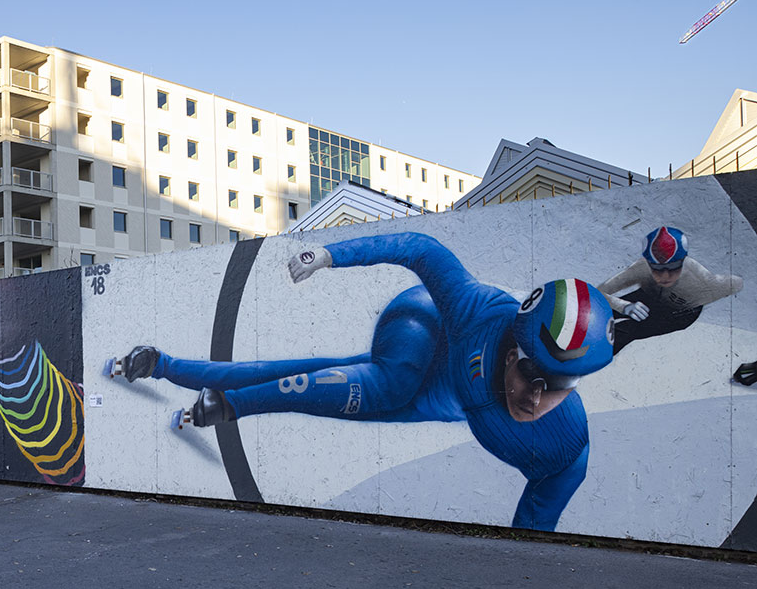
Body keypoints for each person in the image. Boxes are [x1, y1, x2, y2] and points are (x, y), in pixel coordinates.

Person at [110, 232, 615, 531]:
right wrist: (328, 255)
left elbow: (531, 544)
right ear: (512, 348)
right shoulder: (477, 311)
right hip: (419, 326)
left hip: (436, 397)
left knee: (299, 374)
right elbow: (420, 249)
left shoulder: (565, 450)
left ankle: (163, 365)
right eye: (529, 373)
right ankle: (227, 405)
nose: (535, 398)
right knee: (383, 386)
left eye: (558, 386)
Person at [598, 226, 743, 355]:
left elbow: (736, 283)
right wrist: (622, 306)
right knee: (601, 310)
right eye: (657, 269)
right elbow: (598, 293)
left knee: (626, 330)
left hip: (677, 315)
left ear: (683, 262)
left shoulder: (702, 279)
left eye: (673, 267)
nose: (665, 276)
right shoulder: (641, 268)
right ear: (649, 263)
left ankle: (595, 356)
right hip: (651, 296)